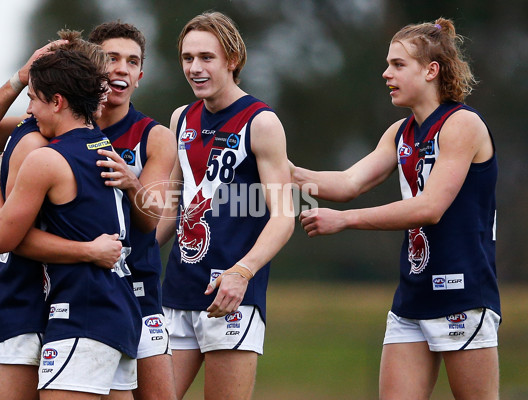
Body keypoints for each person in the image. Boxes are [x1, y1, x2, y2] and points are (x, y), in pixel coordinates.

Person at [291, 18, 500, 400]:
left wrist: (344, 221)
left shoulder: (462, 125)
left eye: (398, 65)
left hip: (463, 295)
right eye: (388, 64)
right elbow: (348, 183)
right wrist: (281, 170)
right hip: (412, 296)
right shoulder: (400, 133)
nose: (386, 73)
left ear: (431, 70)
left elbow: (430, 208)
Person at [0, 33, 123, 400]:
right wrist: (20, 78)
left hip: (56, 300)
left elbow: (5, 235)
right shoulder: (43, 132)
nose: (108, 87)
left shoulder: (57, 142)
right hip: (44, 296)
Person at [155, 11, 294, 400]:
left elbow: (284, 217)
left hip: (231, 296)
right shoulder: (181, 118)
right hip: (177, 292)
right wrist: (134, 253)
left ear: (232, 60)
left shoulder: (262, 122)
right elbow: (172, 207)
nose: (195, 68)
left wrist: (242, 272)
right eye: (187, 58)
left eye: (206, 58)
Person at [87, 21, 178, 400]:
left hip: (139, 292)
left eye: (132, 61)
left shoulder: (154, 136)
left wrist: (131, 182)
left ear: (140, 76)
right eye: (111, 58)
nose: (122, 68)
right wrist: (21, 78)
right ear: (91, 66)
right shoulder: (63, 127)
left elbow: (150, 220)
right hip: (82, 293)